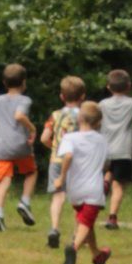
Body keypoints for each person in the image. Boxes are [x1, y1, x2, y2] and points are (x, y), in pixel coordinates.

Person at [53, 101, 112, 264]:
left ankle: (97, 255)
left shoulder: (70, 138)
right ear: (98, 122)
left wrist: (62, 178)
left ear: (79, 118)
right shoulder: (102, 140)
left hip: (75, 190)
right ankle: (74, 248)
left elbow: (68, 155)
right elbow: (106, 164)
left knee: (87, 223)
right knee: (85, 223)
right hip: (93, 188)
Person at [0, 62, 37, 230]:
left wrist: (2, 124)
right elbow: (19, 115)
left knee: (3, 182)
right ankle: (25, 202)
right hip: (21, 145)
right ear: (24, 82)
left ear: (5, 83)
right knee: (31, 172)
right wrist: (32, 128)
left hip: (2, 147)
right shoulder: (25, 100)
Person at [40, 74, 87, 249]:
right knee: (78, 199)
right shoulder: (84, 116)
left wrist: (55, 148)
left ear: (62, 96)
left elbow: (44, 138)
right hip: (77, 161)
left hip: (57, 160)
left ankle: (54, 228)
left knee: (58, 196)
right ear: (83, 96)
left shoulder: (55, 115)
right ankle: (76, 236)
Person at [99, 68, 132, 229]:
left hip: (105, 149)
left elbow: (96, 124)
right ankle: (112, 217)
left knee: (109, 171)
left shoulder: (102, 104)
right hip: (123, 150)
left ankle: (104, 184)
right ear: (129, 86)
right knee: (119, 185)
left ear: (108, 87)